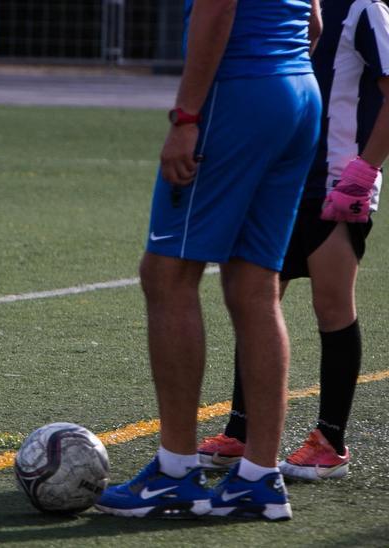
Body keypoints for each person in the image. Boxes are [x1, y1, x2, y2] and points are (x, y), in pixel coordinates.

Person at [95, 0, 322, 521]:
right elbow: (314, 21)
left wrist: (188, 116)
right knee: (255, 286)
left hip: (239, 92)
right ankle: (258, 478)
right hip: (298, 89)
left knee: (167, 274)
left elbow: (218, 8)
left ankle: (175, 473)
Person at [198, 0, 383, 482]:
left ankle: (330, 440)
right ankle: (241, 429)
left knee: (333, 304)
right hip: (281, 174)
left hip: (338, 181)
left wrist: (365, 171)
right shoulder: (295, 5)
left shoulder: (366, 8)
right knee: (257, 296)